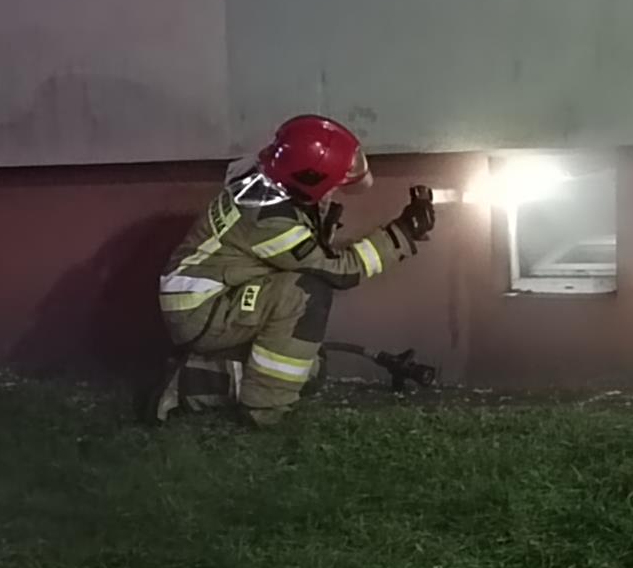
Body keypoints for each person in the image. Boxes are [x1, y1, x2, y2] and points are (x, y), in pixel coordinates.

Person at [152, 114, 435, 426]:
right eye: (332, 186)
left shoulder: (270, 179)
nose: (333, 192)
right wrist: (401, 234)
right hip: (198, 310)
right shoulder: (269, 219)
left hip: (211, 294)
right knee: (307, 294)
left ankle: (203, 372)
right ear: (310, 181)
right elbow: (337, 271)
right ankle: (255, 407)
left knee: (309, 370)